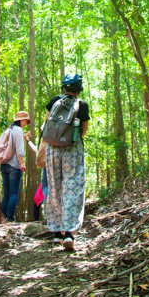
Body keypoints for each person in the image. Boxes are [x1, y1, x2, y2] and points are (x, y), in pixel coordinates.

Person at [44, 74, 90, 251]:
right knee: (73, 187)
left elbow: (47, 124)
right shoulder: (82, 105)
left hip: (52, 149)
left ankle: (56, 234)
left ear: (63, 88)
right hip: (73, 149)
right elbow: (83, 130)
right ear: (79, 89)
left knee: (54, 186)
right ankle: (69, 233)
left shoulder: (55, 101)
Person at [0, 110, 31, 221]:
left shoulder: (9, 129)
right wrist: (22, 163)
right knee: (13, 193)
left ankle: (3, 216)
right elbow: (20, 150)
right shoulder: (18, 130)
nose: (26, 123)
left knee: (7, 193)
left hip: (4, 165)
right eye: (26, 121)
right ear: (21, 120)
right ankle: (9, 217)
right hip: (14, 166)